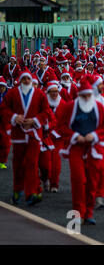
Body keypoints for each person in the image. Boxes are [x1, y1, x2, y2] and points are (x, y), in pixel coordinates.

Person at [56, 81, 104, 225]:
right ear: (79, 95)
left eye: (89, 95)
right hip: (76, 147)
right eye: (84, 95)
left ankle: (89, 212)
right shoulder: (71, 107)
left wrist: (95, 135)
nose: (87, 98)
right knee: (78, 179)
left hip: (94, 147)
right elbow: (61, 126)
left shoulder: (99, 107)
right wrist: (74, 136)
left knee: (92, 179)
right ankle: (78, 212)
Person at [2, 70, 51, 205]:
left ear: (31, 80)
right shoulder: (12, 94)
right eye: (24, 79)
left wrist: (35, 120)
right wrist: (14, 117)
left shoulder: (39, 94)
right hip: (18, 135)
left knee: (32, 163)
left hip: (34, 134)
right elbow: (4, 108)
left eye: (28, 79)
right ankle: (18, 190)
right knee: (18, 164)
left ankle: (32, 193)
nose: (26, 82)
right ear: (20, 81)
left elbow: (46, 111)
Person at [0, 76, 10, 169]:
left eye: (2, 87)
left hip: (6, 123)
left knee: (6, 143)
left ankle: (2, 161)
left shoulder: (8, 96)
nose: (1, 89)